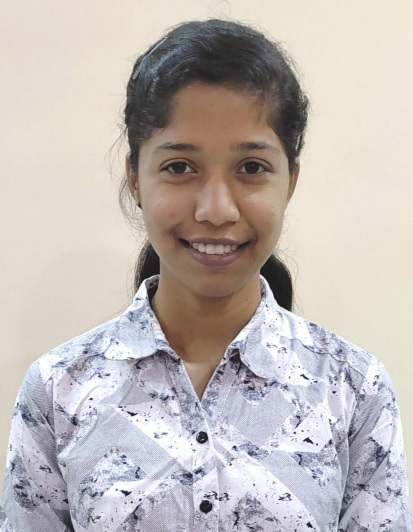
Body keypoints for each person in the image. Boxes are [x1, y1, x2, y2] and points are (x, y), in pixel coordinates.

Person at [0, 18, 411, 532]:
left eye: (252, 167)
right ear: (135, 179)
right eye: (179, 167)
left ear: (290, 181)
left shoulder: (353, 388)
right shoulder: (59, 389)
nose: (217, 210)